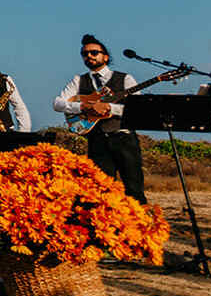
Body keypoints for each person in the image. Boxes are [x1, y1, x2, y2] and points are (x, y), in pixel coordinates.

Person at [53, 33, 147, 202]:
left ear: (106, 56)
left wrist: (111, 108)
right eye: (85, 54)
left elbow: (138, 109)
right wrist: (84, 106)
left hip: (123, 138)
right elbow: (58, 103)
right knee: (101, 190)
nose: (89, 56)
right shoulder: (78, 80)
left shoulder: (125, 79)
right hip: (96, 140)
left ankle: (141, 225)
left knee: (134, 189)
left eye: (94, 52)